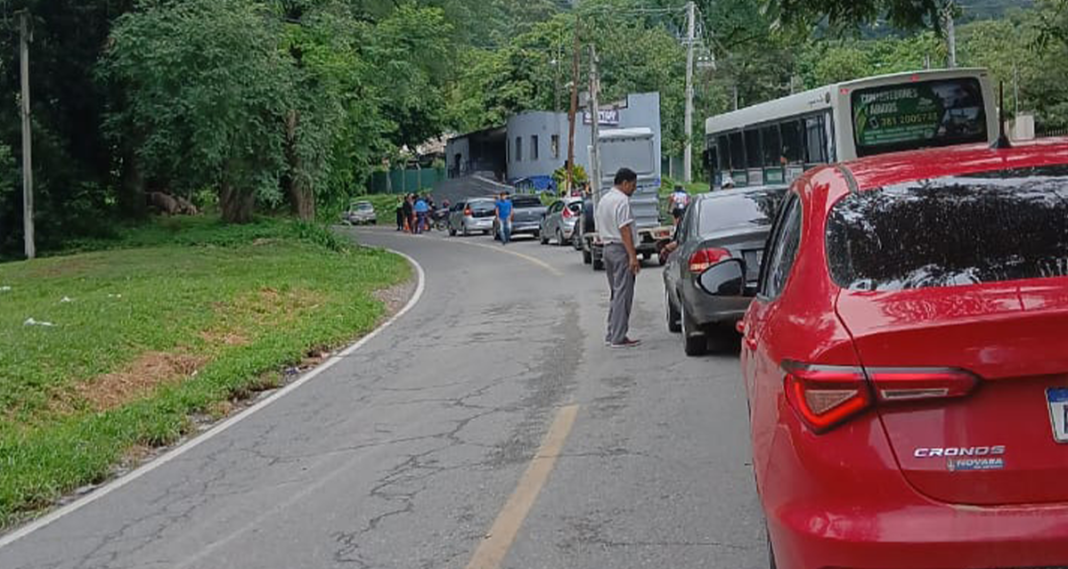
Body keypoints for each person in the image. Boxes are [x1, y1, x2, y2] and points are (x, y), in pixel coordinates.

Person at [595, 168, 642, 348]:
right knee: (624, 294)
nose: (634, 189)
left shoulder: (604, 200)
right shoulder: (622, 201)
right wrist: (632, 257)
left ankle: (611, 332)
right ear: (624, 183)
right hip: (621, 250)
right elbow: (624, 230)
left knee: (616, 293)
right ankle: (619, 337)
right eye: (633, 185)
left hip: (608, 249)